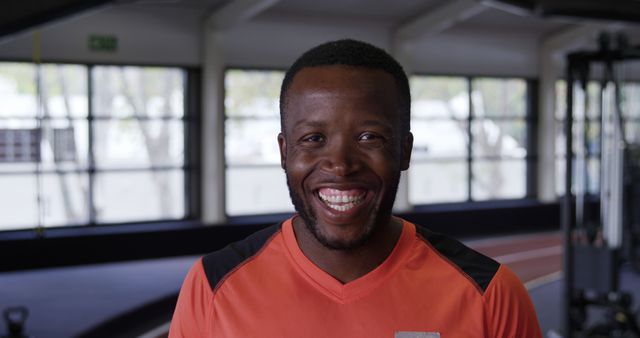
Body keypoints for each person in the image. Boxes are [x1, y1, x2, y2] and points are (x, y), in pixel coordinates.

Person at [169, 39, 542, 338]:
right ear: (285, 152)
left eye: (369, 137)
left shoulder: (490, 295)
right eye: (314, 138)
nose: (341, 165)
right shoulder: (213, 286)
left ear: (404, 151)